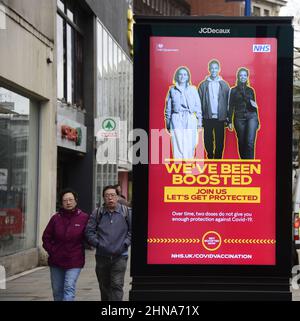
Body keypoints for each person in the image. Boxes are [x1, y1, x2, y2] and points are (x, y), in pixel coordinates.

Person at [85, 185, 131, 301]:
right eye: (107, 196)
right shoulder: (98, 213)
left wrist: (125, 244)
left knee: (117, 285)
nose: (110, 198)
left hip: (120, 256)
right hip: (102, 257)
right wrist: (98, 244)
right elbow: (89, 231)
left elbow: (132, 231)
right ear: (103, 198)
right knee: (104, 286)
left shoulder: (126, 212)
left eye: (113, 195)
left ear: (117, 197)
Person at [42, 188, 89, 301]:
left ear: (76, 201)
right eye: (65, 200)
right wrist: (52, 251)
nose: (68, 203)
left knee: (69, 287)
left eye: (70, 200)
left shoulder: (84, 217)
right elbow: (46, 237)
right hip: (56, 260)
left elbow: (90, 235)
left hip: (75, 259)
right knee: (57, 290)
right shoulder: (55, 218)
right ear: (61, 202)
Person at [165, 66, 202, 159]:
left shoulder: (193, 89)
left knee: (190, 141)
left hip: (190, 117)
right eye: (180, 74)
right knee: (177, 141)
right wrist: (168, 123)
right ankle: (178, 165)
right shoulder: (172, 90)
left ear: (188, 77)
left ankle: (188, 163)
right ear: (177, 76)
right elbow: (168, 108)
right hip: (176, 117)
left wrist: (200, 122)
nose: (182, 76)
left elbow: (198, 106)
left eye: (185, 74)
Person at [198, 59, 230, 159]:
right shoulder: (203, 85)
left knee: (220, 139)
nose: (214, 70)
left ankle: (218, 158)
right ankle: (210, 156)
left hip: (220, 117)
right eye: (212, 68)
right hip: (207, 116)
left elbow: (228, 102)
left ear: (219, 69)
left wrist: (227, 118)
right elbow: (198, 102)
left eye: (216, 68)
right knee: (208, 138)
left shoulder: (224, 84)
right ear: (209, 69)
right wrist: (200, 118)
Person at [228, 67, 260, 159]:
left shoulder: (251, 90)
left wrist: (257, 120)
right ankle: (244, 162)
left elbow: (254, 106)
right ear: (238, 77)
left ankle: (250, 165)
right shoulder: (233, 90)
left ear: (247, 77)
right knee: (242, 142)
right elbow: (230, 106)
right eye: (241, 75)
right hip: (239, 118)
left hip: (251, 117)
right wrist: (230, 121)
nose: (243, 77)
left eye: (245, 75)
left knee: (250, 142)